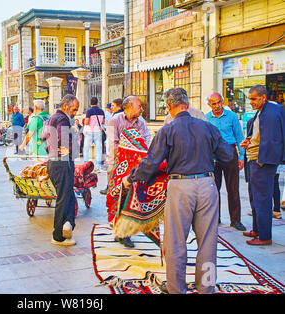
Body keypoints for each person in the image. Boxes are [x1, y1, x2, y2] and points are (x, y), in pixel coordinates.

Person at [122, 87, 233, 294]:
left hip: (180, 187)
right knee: (208, 242)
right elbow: (227, 156)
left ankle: (176, 289)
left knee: (175, 241)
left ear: (170, 107)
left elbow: (151, 163)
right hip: (208, 185)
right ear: (188, 105)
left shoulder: (167, 130)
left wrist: (131, 178)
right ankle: (206, 288)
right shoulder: (207, 128)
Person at [240, 85, 285, 246]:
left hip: (262, 162)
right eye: (249, 98)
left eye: (254, 99)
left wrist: (262, 159)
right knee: (255, 198)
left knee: (263, 199)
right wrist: (248, 140)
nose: (250, 102)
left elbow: (274, 139)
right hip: (255, 160)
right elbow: (259, 135)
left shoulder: (272, 112)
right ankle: (257, 230)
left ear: (263, 97)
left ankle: (265, 236)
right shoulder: (261, 112)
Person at [104, 95, 151, 248]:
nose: (142, 109)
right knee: (117, 198)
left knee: (131, 199)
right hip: (117, 166)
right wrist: (128, 152)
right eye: (139, 106)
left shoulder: (141, 122)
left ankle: (126, 233)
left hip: (135, 169)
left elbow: (145, 142)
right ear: (129, 105)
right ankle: (119, 230)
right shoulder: (114, 121)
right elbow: (113, 144)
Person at [205, 92, 246, 231]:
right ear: (209, 105)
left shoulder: (232, 116)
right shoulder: (206, 119)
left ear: (222, 101)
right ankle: (215, 218)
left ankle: (236, 220)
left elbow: (240, 137)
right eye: (213, 104)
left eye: (219, 102)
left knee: (233, 188)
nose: (217, 106)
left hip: (230, 152)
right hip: (214, 154)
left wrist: (241, 157)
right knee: (214, 189)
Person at [45, 95, 80, 247]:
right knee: (64, 199)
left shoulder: (53, 117)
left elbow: (45, 138)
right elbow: (61, 138)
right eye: (74, 109)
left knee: (69, 197)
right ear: (65, 106)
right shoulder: (63, 119)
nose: (75, 112)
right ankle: (58, 235)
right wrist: (71, 148)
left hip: (55, 163)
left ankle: (68, 224)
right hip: (61, 164)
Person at [83, 97, 105, 172]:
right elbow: (103, 122)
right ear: (97, 103)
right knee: (98, 149)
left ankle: (86, 166)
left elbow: (86, 122)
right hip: (98, 132)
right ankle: (98, 167)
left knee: (86, 149)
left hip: (89, 131)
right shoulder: (101, 111)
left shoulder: (89, 111)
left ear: (90, 103)